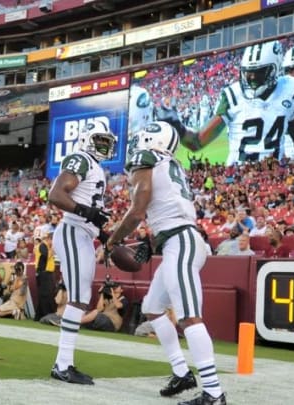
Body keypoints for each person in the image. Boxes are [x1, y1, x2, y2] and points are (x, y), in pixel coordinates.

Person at [106, 121, 226, 405]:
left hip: (180, 241)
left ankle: (214, 392)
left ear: (150, 138)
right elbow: (167, 207)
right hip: (177, 239)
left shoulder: (147, 157)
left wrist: (112, 241)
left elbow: (137, 211)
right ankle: (182, 373)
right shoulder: (168, 162)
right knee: (151, 308)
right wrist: (152, 242)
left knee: (188, 317)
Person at [164, 40, 294, 167]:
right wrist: (178, 127)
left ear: (275, 69)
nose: (251, 77)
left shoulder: (292, 88)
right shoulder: (232, 96)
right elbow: (197, 142)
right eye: (248, 72)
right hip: (237, 174)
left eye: (258, 72)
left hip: (271, 174)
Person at [48, 119, 116, 385]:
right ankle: (63, 365)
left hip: (83, 235)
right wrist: (86, 212)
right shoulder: (80, 158)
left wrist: (103, 233)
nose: (103, 145)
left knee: (81, 298)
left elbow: (90, 211)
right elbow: (56, 194)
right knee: (78, 298)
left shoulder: (95, 167)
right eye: (99, 140)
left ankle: (64, 363)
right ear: (87, 138)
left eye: (106, 141)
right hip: (73, 232)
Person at [34, 232, 56, 321]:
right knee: (46, 295)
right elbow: (47, 256)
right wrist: (52, 249)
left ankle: (39, 316)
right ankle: (46, 315)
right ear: (49, 239)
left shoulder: (47, 246)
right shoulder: (42, 246)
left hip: (48, 273)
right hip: (43, 273)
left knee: (45, 295)